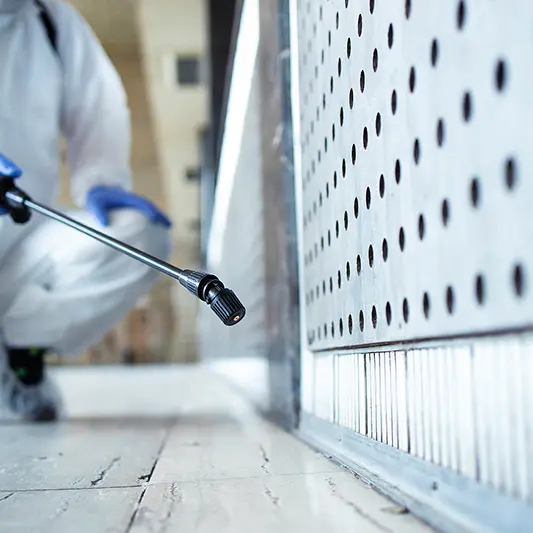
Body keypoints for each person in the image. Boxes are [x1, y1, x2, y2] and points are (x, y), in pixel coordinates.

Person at [0, 0, 172, 422]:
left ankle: (17, 350)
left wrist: (100, 178)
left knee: (140, 235)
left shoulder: (50, 19)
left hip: (26, 240)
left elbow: (97, 101)